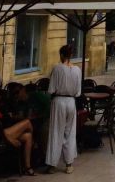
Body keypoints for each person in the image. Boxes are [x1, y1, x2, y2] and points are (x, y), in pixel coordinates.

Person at [45, 44, 81, 174]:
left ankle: (52, 164)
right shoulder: (77, 69)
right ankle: (69, 164)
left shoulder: (57, 68)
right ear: (70, 55)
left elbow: (51, 89)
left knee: (56, 132)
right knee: (70, 132)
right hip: (71, 101)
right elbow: (78, 91)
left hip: (59, 101)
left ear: (61, 55)